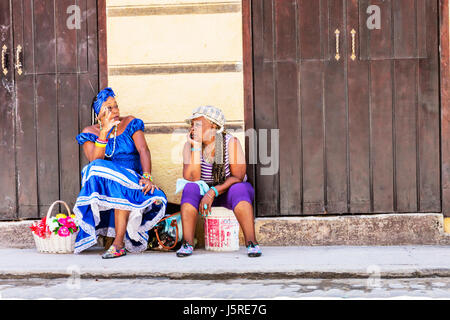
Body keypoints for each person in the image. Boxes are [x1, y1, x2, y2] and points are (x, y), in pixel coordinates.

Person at [74, 87, 167, 258]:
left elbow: (144, 150)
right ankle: (117, 244)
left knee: (120, 185)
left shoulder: (130, 123)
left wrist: (147, 177)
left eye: (116, 106)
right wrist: (104, 132)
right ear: (98, 113)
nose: (115, 111)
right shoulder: (90, 133)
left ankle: (118, 244)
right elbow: (95, 162)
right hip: (110, 183)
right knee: (92, 169)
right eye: (109, 108)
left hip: (134, 179)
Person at [176, 105, 262, 258]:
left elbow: (238, 176)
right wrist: (195, 147)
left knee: (240, 189)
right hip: (203, 194)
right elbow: (192, 178)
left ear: (213, 125)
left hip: (228, 191)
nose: (192, 128)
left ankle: (252, 243)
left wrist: (213, 191)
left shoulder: (230, 143)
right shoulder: (189, 146)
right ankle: (187, 243)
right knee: (190, 188)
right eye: (192, 124)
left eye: (197, 123)